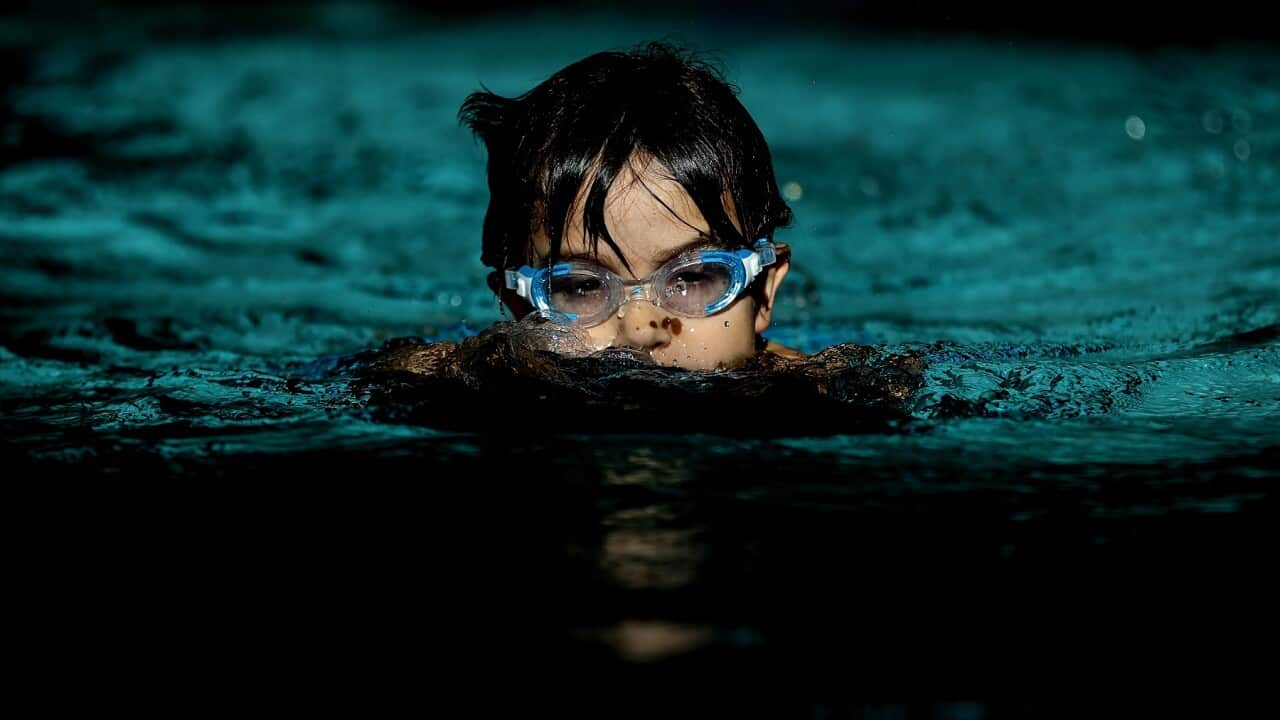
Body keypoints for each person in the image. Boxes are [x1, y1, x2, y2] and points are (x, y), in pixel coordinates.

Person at [456, 40, 803, 371]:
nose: (639, 331)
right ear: (520, 308)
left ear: (763, 292)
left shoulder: (809, 396)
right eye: (583, 286)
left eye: (692, 278)